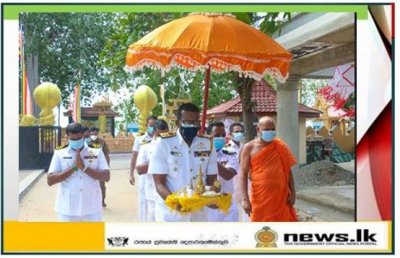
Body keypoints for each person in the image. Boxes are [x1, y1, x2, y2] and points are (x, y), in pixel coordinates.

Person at [148, 103, 218, 222]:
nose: (191, 125)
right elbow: (159, 184)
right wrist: (176, 204)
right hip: (171, 214)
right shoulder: (163, 144)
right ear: (177, 123)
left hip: (198, 214)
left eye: (195, 122)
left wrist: (213, 195)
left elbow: (212, 179)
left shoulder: (208, 144)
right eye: (187, 122)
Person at [47, 123, 110, 222]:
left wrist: (84, 168)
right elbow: (50, 180)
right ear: (67, 137)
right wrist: (74, 167)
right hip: (67, 209)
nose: (76, 142)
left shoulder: (96, 152)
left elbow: (106, 176)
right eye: (72, 139)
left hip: (92, 208)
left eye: (79, 139)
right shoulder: (60, 153)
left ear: (84, 136)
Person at [240, 116, 297, 222]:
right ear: (258, 130)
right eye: (266, 129)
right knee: (260, 230)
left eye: (272, 129)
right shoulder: (249, 147)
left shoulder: (280, 146)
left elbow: (287, 170)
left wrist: (293, 193)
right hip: (260, 197)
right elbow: (243, 174)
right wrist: (245, 199)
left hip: (280, 197)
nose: (270, 132)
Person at [136, 119, 169, 222]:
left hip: (170, 190)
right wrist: (159, 163)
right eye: (159, 135)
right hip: (152, 190)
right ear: (154, 133)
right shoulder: (146, 147)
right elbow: (140, 169)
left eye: (165, 135)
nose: (162, 138)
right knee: (153, 219)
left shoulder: (175, 148)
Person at [206, 121, 239, 222]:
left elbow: (228, 175)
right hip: (206, 205)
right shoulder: (199, 154)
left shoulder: (231, 153)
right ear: (208, 136)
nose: (220, 138)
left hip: (226, 204)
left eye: (223, 135)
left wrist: (210, 158)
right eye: (216, 135)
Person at [130, 115, 157, 222]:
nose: (152, 127)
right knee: (143, 200)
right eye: (150, 125)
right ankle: (142, 222)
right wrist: (131, 174)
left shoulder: (159, 137)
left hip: (155, 173)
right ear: (146, 125)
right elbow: (134, 156)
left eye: (154, 125)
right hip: (143, 174)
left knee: (154, 199)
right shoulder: (140, 137)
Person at [89, 127, 111, 207]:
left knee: (101, 184)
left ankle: (102, 201)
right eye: (91, 134)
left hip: (100, 166)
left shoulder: (102, 142)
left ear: (97, 134)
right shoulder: (86, 142)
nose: (93, 135)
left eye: (95, 134)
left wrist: (107, 167)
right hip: (90, 166)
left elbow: (106, 154)